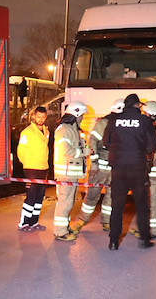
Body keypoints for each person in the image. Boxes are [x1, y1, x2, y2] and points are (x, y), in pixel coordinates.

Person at [103, 94, 156, 250]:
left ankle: (113, 241)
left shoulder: (113, 120)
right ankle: (144, 240)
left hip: (118, 168)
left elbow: (105, 143)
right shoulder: (145, 121)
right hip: (137, 168)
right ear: (137, 105)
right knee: (141, 205)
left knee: (117, 205)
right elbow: (152, 146)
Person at [72, 99, 125, 234]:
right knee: (92, 195)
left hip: (115, 167)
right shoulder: (103, 123)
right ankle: (83, 220)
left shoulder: (122, 124)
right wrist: (94, 163)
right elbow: (93, 142)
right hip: (101, 166)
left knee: (111, 196)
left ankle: (106, 221)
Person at [129, 100, 156, 239]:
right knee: (147, 201)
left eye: (145, 113)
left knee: (152, 202)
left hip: (153, 172)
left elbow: (151, 150)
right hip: (154, 171)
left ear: (150, 115)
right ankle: (144, 228)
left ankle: (151, 231)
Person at [53, 101, 91, 241]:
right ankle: (60, 232)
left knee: (69, 203)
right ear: (76, 114)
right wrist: (84, 151)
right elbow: (66, 150)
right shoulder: (64, 129)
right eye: (82, 116)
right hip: (66, 174)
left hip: (71, 174)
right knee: (64, 203)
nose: (82, 118)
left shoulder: (72, 129)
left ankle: (65, 228)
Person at [17, 106, 50, 231]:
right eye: (38, 117)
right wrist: (27, 163)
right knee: (31, 196)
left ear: (45, 117)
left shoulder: (46, 131)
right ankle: (24, 223)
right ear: (34, 116)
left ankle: (34, 222)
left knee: (39, 197)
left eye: (43, 117)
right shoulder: (27, 132)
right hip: (31, 169)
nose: (40, 119)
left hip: (43, 168)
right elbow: (21, 151)